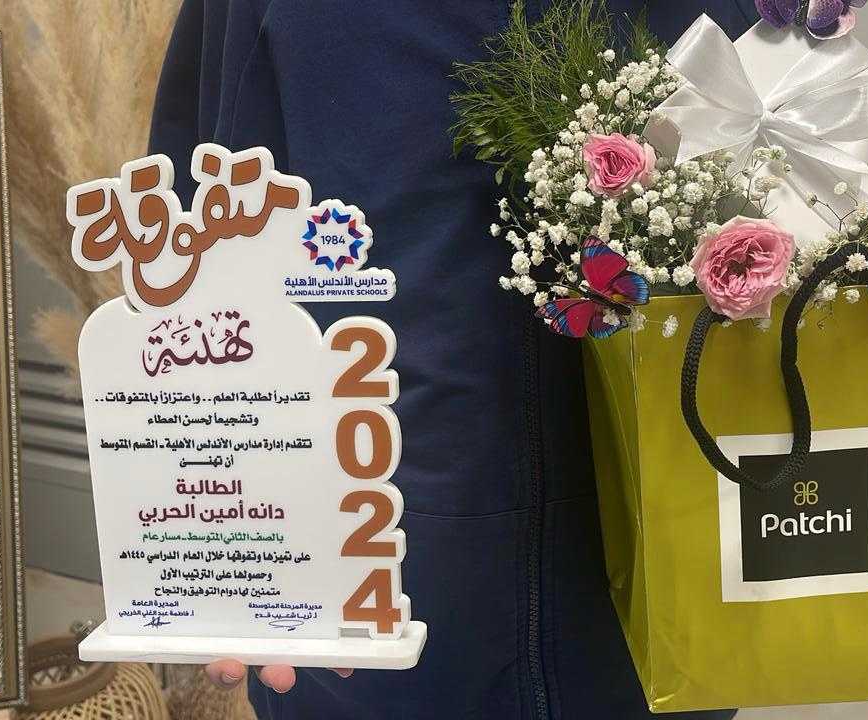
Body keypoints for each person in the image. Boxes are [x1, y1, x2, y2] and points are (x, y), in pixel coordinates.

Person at [148, 2, 758, 718]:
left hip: (667, 566)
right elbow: (202, 236)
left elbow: (808, 192)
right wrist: (224, 552)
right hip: (375, 582)